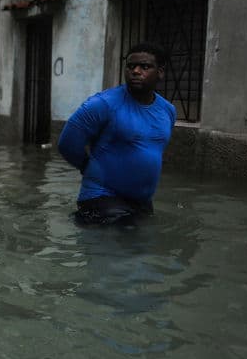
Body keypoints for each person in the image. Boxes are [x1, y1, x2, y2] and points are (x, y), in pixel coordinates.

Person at [57, 42, 177, 225]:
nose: (135, 71)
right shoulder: (102, 104)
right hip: (102, 198)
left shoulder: (168, 110)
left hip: (142, 202)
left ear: (160, 72)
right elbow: (67, 143)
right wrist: (86, 166)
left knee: (141, 250)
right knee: (118, 250)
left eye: (144, 67)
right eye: (130, 66)